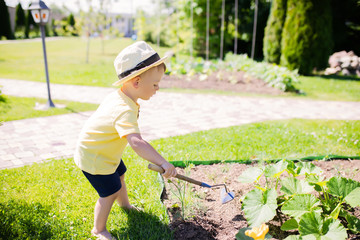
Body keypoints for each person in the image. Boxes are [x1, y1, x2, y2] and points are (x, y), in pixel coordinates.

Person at [74, 41, 177, 240]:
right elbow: (137, 143)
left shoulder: (123, 97)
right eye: (155, 84)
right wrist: (163, 163)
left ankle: (126, 206)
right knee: (109, 192)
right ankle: (99, 230)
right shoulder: (124, 109)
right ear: (136, 83)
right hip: (95, 157)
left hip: (105, 152)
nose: (157, 88)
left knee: (120, 175)